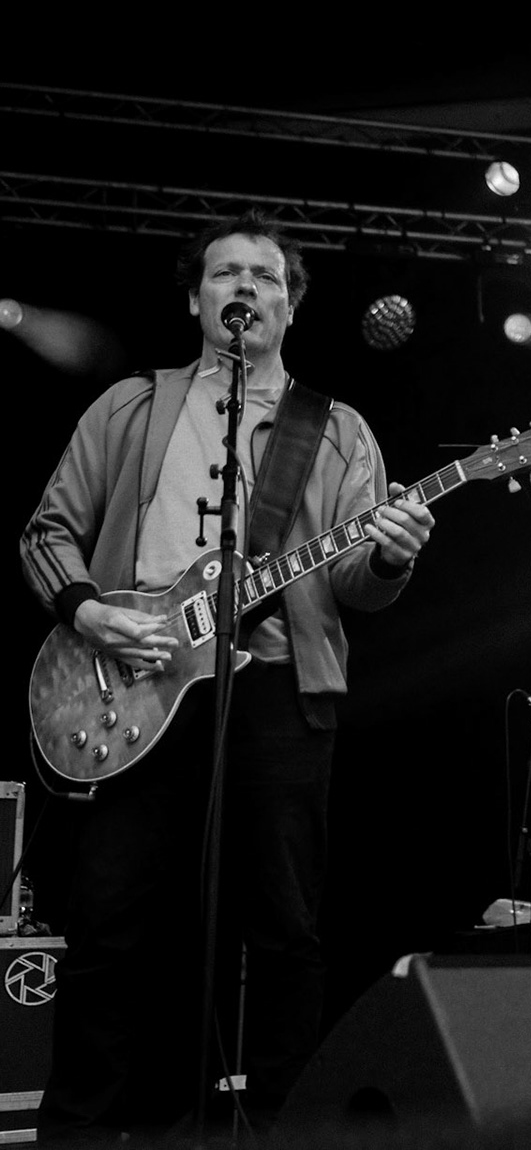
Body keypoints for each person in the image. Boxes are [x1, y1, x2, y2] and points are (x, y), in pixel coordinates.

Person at [18, 211, 434, 1138]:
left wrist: (395, 556)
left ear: (290, 305)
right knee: (110, 926)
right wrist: (93, 613)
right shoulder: (130, 406)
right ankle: (85, 1129)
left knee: (286, 934)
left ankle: (284, 1125)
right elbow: (47, 531)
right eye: (224, 274)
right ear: (197, 298)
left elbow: (357, 585)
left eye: (264, 276)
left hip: (280, 696)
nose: (243, 287)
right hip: (142, 694)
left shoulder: (336, 431)